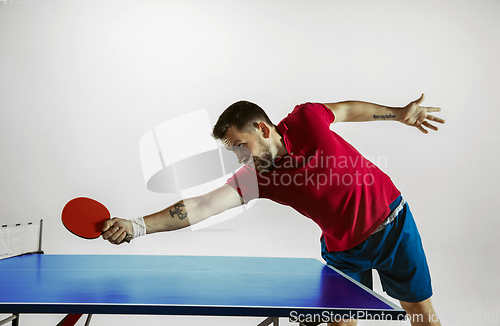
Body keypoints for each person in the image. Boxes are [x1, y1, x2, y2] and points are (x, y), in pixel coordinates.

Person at [103, 94, 444, 326]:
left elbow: (348, 110)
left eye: (240, 146)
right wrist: (137, 226)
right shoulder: (257, 177)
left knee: (420, 315)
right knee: (342, 323)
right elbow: (202, 205)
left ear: (263, 130)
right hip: (344, 251)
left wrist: (398, 114)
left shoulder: (307, 119)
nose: (239, 157)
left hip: (393, 224)